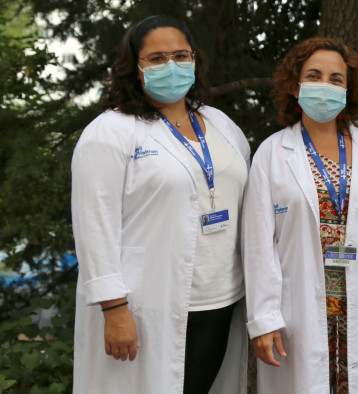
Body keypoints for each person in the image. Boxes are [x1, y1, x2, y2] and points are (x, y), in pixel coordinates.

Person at [71, 15, 249, 394]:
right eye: (156, 58)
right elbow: (93, 224)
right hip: (147, 302)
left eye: (181, 55)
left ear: (195, 60)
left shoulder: (220, 124)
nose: (172, 65)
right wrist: (113, 308)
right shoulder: (110, 131)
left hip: (220, 297)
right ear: (134, 68)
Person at [242, 37, 358, 394]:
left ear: (349, 90)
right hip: (297, 310)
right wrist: (264, 319)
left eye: (336, 79)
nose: (325, 85)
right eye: (314, 75)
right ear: (294, 85)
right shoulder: (271, 152)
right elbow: (257, 246)